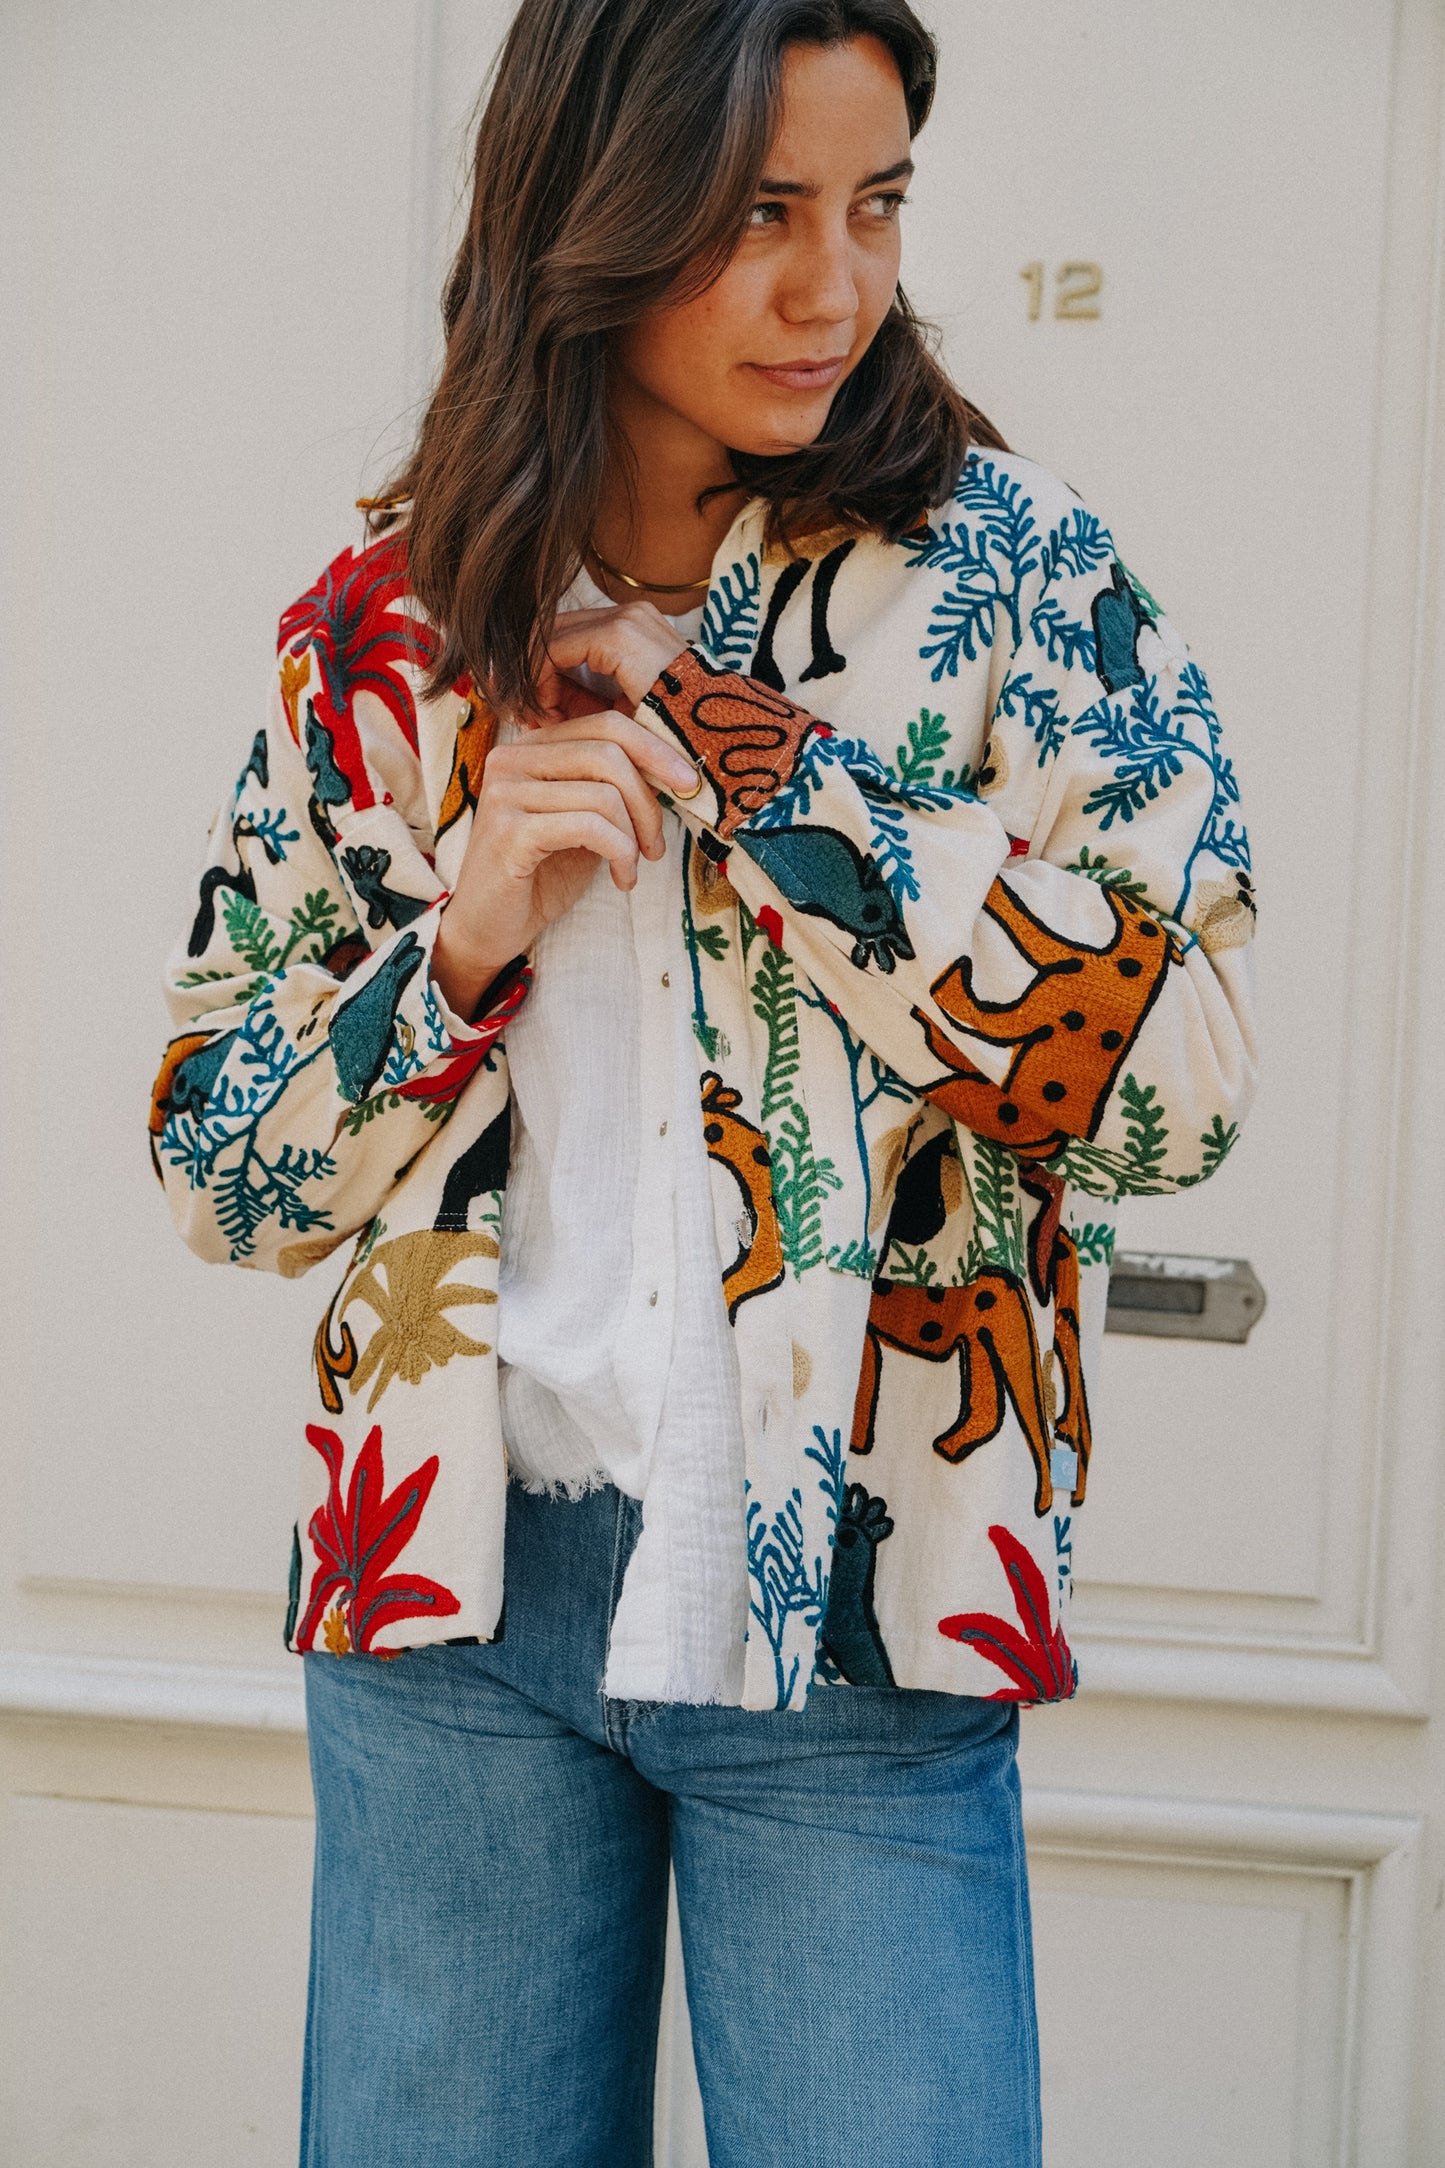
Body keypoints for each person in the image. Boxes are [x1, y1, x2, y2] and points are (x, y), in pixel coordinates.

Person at [150, 2, 1258, 2162]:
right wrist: (462, 938)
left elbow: (1180, 1090)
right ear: (595, 210)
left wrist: (761, 762)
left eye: (875, 206)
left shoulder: (1018, 585)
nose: (835, 286)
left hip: (861, 1608)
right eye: (759, 215)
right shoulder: (383, 633)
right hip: (451, 1616)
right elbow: (217, 1164)